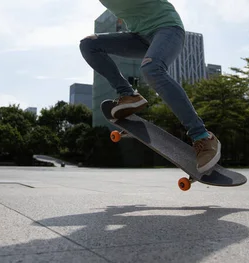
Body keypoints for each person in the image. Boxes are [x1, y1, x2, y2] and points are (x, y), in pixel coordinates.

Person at [79, 0, 221, 173]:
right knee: (89, 44)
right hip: (139, 37)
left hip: (167, 28)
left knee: (151, 69)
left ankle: (203, 136)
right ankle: (128, 95)